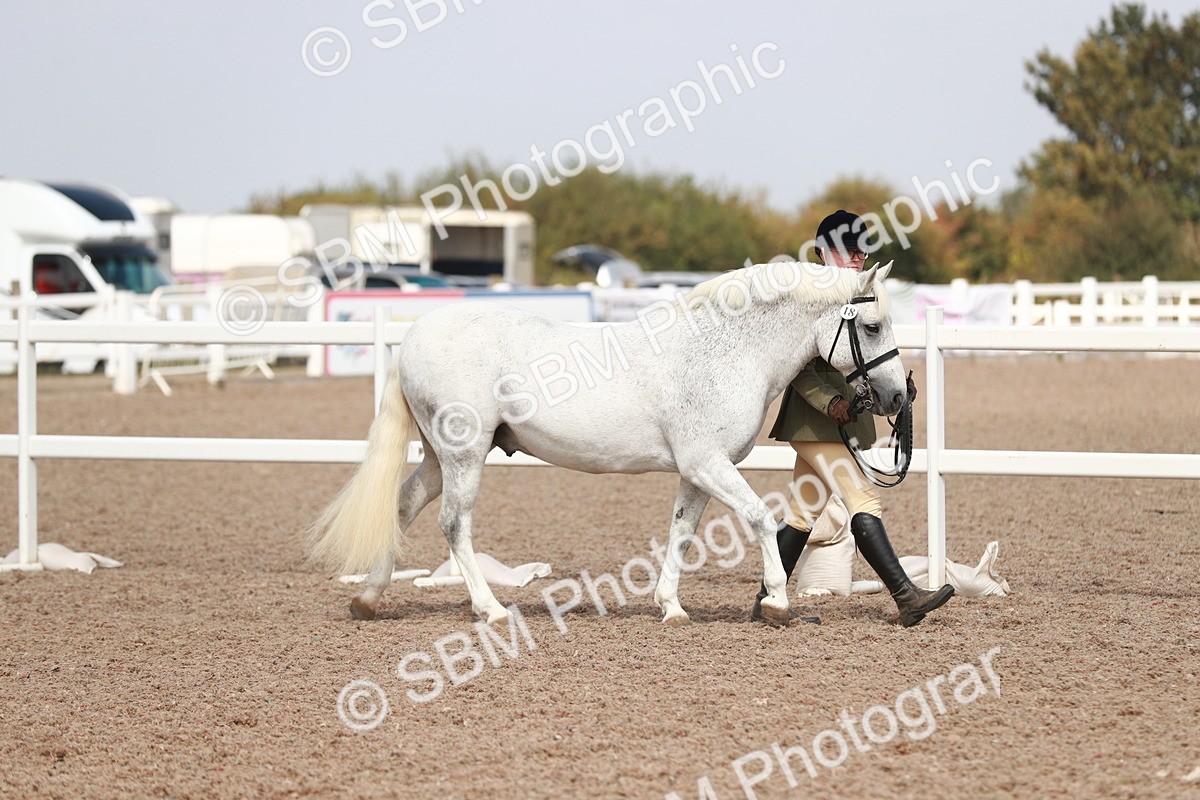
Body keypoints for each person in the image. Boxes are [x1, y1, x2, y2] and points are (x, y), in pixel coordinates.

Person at [751, 210, 955, 627]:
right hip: (816, 419)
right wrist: (829, 403)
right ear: (824, 253)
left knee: (803, 514)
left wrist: (892, 391)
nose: (857, 257)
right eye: (847, 251)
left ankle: (767, 602)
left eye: (861, 250)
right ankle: (906, 597)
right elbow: (799, 369)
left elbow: (875, 355)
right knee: (863, 499)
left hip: (845, 420)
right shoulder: (808, 296)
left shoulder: (863, 291)